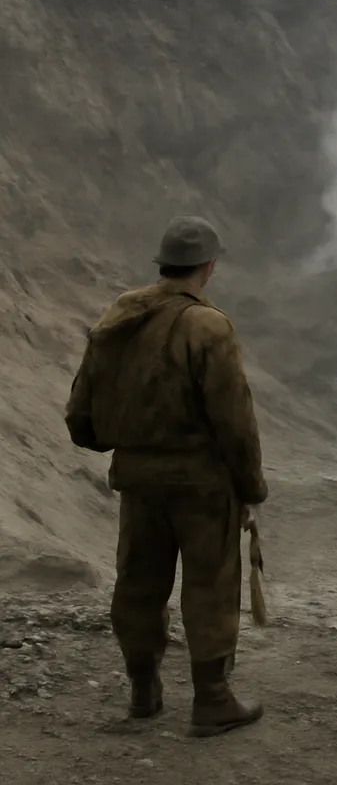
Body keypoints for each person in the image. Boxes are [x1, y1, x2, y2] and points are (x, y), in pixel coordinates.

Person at [63, 216, 268, 737]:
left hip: (138, 479)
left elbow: (82, 409)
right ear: (209, 266)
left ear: (163, 263)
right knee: (210, 585)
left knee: (139, 583)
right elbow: (234, 419)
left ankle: (143, 693)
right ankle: (213, 701)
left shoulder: (122, 314)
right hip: (201, 485)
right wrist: (250, 488)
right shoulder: (209, 325)